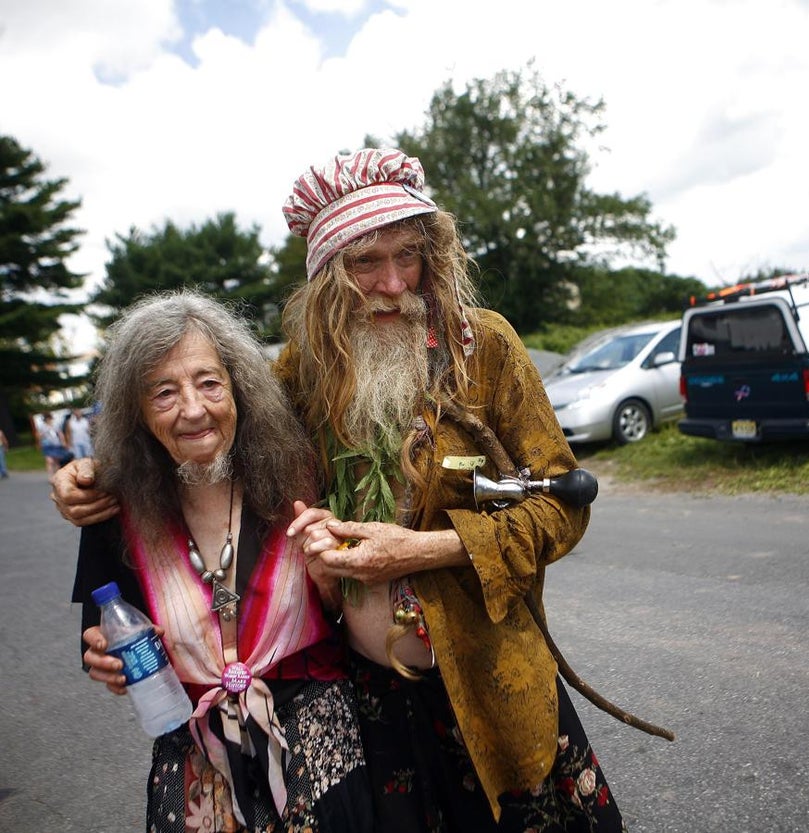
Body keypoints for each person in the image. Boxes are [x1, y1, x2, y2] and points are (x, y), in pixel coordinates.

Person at [55, 148, 628, 832]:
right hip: (369, 699)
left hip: (493, 672)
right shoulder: (301, 372)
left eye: (408, 255)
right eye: (365, 262)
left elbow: (562, 508)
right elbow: (207, 439)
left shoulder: (486, 348)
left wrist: (420, 549)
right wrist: (93, 475)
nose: (392, 283)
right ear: (328, 274)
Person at [71, 290, 374, 832]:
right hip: (193, 750)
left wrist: (332, 584)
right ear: (135, 413)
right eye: (163, 392)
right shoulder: (113, 508)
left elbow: (359, 613)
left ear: (240, 388)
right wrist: (102, 659)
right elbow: (98, 631)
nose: (193, 409)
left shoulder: (303, 475)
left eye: (209, 383)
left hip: (316, 732)